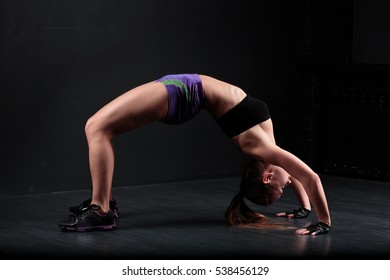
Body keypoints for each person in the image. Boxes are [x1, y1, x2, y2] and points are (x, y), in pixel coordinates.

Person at [59, 73, 331, 235]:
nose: (286, 186)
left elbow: (303, 176)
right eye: (282, 190)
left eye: (280, 190)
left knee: (96, 128)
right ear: (268, 177)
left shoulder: (260, 149)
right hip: (184, 88)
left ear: (266, 176)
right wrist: (311, 213)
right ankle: (103, 204)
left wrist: (319, 219)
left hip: (183, 94)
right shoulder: (266, 150)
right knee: (97, 128)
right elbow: (304, 176)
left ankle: (101, 209)